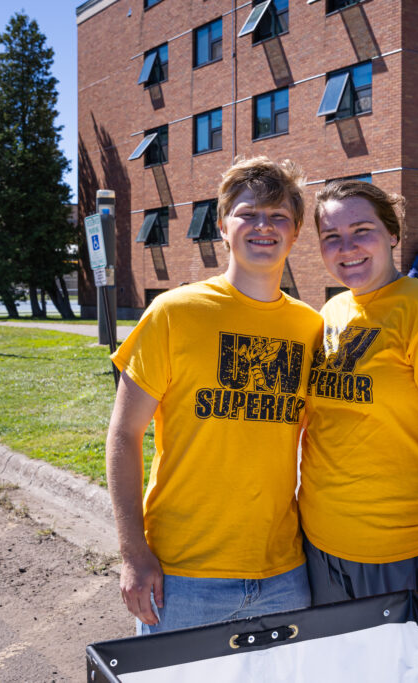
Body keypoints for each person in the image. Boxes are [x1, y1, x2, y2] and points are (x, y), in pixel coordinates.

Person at [105, 156, 322, 634]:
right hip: (182, 578)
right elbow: (123, 433)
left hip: (284, 574)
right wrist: (133, 553)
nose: (264, 226)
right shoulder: (174, 312)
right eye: (248, 213)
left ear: (296, 231)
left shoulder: (310, 327)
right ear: (223, 226)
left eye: (279, 216)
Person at [301, 180, 418, 622]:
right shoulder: (330, 313)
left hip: (404, 553)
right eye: (331, 238)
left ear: (393, 234)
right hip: (319, 547)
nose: (347, 247)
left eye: (362, 230)